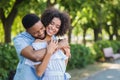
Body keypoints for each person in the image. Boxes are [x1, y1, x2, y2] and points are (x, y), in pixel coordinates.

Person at [25, 8, 71, 80]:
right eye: (52, 23)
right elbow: (39, 73)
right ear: (46, 21)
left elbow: (62, 69)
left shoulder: (58, 42)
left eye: (57, 27)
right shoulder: (36, 44)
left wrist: (67, 54)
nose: (53, 28)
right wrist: (49, 52)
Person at [13, 14, 59, 80]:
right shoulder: (20, 39)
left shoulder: (49, 35)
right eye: (35, 32)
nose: (41, 33)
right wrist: (57, 46)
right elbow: (35, 56)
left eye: (42, 28)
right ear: (27, 31)